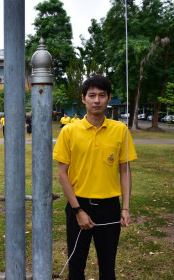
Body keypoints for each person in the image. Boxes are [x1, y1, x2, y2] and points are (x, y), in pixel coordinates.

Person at [53, 75, 137, 280]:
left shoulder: (121, 130)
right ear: (83, 99)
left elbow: (125, 171)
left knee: (108, 268)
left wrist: (125, 207)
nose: (96, 100)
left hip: (109, 207)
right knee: (76, 266)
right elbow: (62, 173)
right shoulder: (69, 131)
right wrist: (78, 210)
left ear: (109, 98)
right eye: (92, 95)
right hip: (78, 204)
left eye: (102, 95)